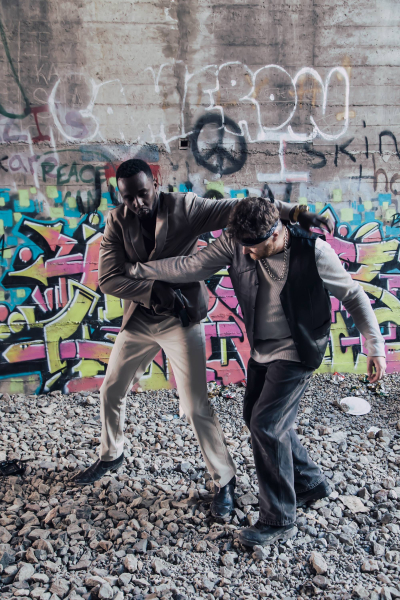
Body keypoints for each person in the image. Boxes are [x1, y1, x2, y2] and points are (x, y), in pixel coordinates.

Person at [71, 158, 327, 520]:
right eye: (128, 197)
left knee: (194, 406)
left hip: (181, 320)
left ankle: (225, 481)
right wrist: (152, 291)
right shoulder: (117, 221)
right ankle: (112, 454)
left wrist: (296, 212)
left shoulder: (185, 208)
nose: (137, 203)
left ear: (155, 182)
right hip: (140, 320)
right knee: (110, 391)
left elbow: (241, 208)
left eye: (142, 194)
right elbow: (109, 279)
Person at [122, 196, 386, 545]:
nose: (245, 253)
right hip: (262, 348)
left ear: (276, 233)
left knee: (267, 424)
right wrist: (138, 271)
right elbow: (191, 265)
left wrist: (375, 347)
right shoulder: (239, 241)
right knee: (255, 416)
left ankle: (279, 518)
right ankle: (309, 482)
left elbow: (352, 295)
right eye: (242, 246)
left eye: (252, 247)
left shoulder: (314, 252)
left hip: (299, 348)